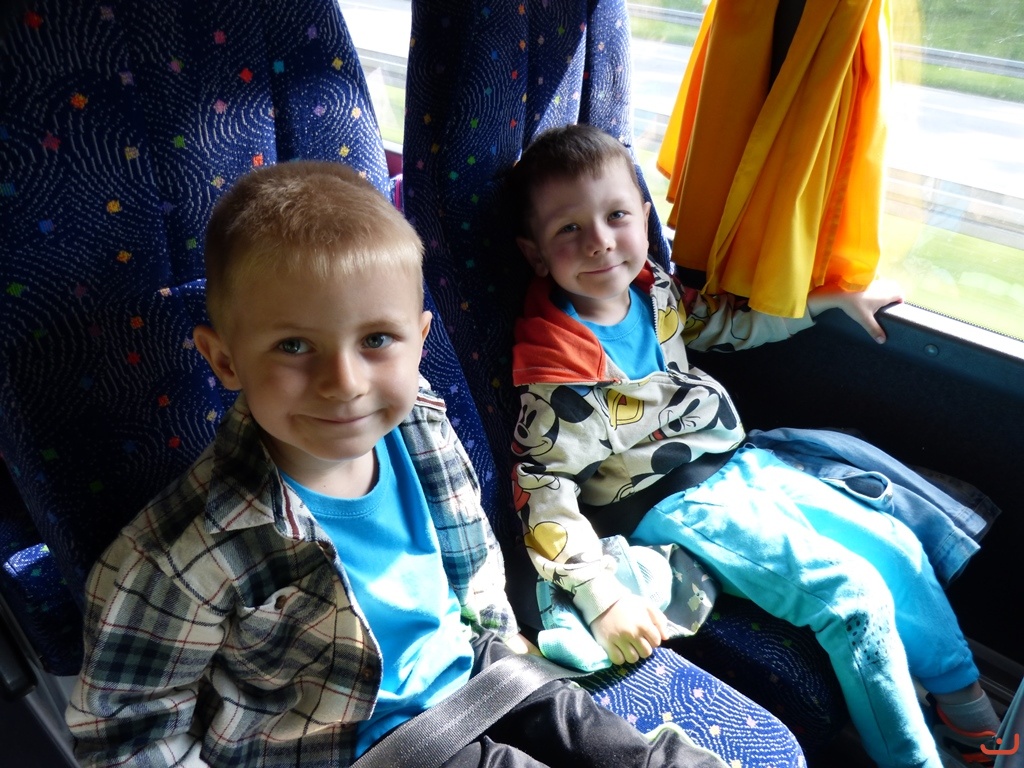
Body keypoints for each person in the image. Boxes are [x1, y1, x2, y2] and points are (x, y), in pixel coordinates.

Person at [64, 160, 730, 768]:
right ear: (225, 360)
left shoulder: (420, 428)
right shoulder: (179, 553)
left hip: (471, 672)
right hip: (355, 745)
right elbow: (128, 734)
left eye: (377, 339)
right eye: (294, 346)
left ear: (419, 341)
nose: (344, 383)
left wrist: (498, 635)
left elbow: (469, 560)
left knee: (607, 740)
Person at [505, 124, 1001, 768]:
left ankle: (968, 716)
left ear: (643, 217)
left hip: (738, 462)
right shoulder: (555, 377)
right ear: (536, 254)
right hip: (670, 501)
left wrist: (825, 301)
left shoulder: (650, 290)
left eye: (616, 216)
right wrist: (603, 597)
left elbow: (721, 323)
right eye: (569, 229)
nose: (599, 240)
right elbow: (542, 492)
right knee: (854, 598)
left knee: (896, 547)